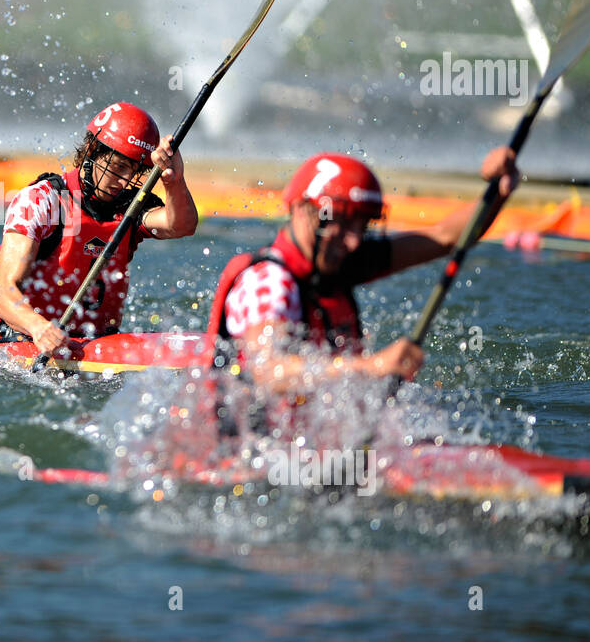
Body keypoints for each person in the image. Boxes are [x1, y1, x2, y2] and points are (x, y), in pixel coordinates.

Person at [203, 148, 520, 434]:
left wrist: (497, 192)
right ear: (301, 210)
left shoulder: (339, 260)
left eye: (362, 225)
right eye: (340, 222)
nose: (354, 241)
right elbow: (269, 371)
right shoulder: (269, 283)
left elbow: (445, 237)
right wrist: (372, 367)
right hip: (251, 454)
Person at [0, 102, 199, 354]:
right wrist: (40, 329)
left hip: (97, 344)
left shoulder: (131, 208)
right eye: (117, 167)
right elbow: (6, 296)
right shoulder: (42, 201)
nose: (124, 180)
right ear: (91, 151)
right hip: (24, 340)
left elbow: (181, 225)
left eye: (134, 170)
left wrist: (174, 180)